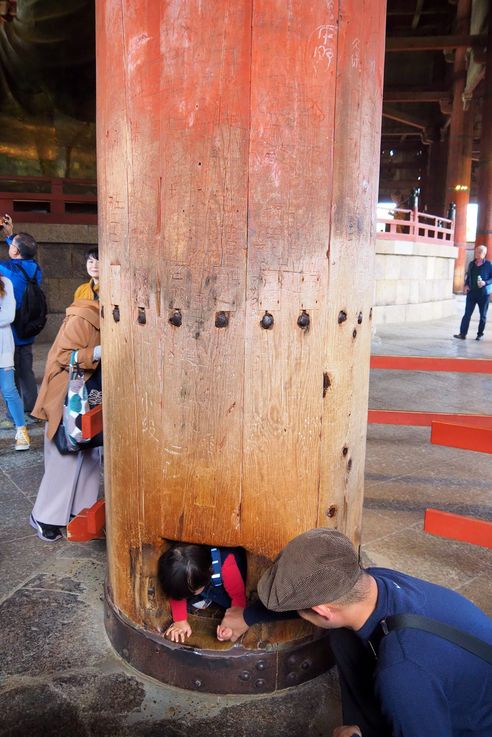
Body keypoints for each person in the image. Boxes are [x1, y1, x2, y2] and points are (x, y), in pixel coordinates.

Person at [253, 528, 492, 737]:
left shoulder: (402, 672)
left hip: (474, 726)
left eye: (301, 611)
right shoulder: (376, 581)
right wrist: (248, 617)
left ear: (323, 610)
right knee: (343, 634)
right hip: (463, 682)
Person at [29, 298, 101, 542]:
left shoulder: (108, 317)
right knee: (65, 455)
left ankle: (79, 513)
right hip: (67, 395)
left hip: (91, 395)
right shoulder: (83, 316)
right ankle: (44, 516)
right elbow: (62, 356)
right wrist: (96, 353)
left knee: (90, 454)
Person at [157, 543, 294, 642]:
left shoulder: (227, 566)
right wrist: (180, 620)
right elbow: (177, 595)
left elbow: (238, 600)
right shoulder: (180, 561)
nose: (182, 598)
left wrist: (229, 627)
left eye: (188, 593)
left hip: (230, 584)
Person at [0, 213, 43, 417]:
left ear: (15, 251)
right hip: (29, 326)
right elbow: (22, 253)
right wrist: (11, 236)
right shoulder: (35, 268)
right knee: (26, 369)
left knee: (11, 370)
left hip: (12, 328)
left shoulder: (8, 269)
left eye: (12, 245)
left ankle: (13, 412)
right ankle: (31, 406)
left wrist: (10, 238)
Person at [0, 273, 30, 450]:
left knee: (9, 389)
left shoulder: (5, 283)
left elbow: (8, 315)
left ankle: (21, 430)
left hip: (3, 345)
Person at [454, 244, 492, 341]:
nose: (477, 254)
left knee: (482, 315)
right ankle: (463, 334)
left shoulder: (488, 265)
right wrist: (466, 285)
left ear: (484, 254)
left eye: (480, 252)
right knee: (467, 314)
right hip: (471, 293)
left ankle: (480, 334)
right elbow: (468, 276)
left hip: (483, 294)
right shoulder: (471, 264)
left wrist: (485, 282)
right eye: (476, 251)